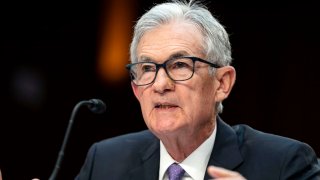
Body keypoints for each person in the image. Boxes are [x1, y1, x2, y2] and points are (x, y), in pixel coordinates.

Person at [75, 0, 320, 179]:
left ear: (222, 83)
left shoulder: (285, 164)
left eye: (180, 65)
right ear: (136, 90)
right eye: (148, 68)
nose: (160, 85)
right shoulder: (105, 162)